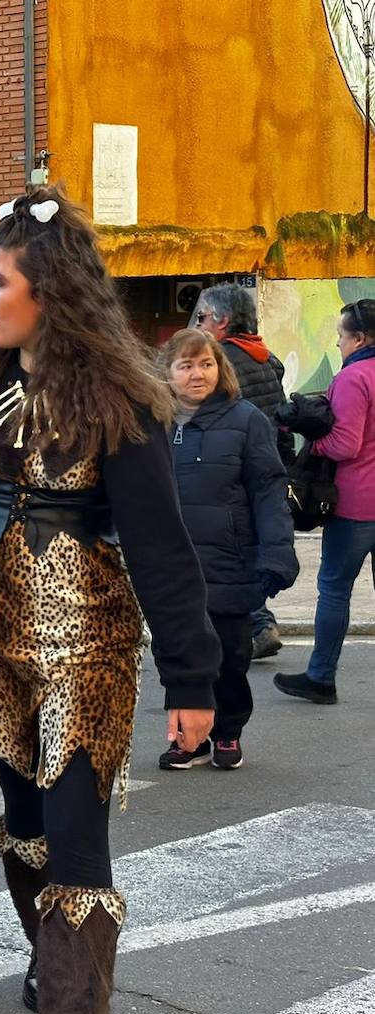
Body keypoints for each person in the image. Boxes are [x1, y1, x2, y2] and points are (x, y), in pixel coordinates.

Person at [0, 188, 220, 1014]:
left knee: (77, 848)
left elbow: (162, 550)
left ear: (47, 292)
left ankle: (72, 1006)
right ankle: (50, 958)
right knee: (25, 828)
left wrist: (193, 682)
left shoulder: (119, 403)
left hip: (83, 642)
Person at [159, 329, 296, 770]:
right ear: (167, 372)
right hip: (173, 564)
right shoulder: (152, 423)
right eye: (185, 365)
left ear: (221, 370)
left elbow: (269, 491)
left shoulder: (247, 419)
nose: (197, 374)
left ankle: (228, 730)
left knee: (231, 655)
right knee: (179, 652)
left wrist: (277, 553)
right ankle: (188, 737)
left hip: (231, 560)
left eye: (206, 364)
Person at [275, 297, 375, 704]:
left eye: (340, 336)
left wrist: (310, 434)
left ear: (360, 338)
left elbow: (344, 445)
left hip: (355, 504)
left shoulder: (355, 378)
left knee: (334, 589)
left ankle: (320, 677)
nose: (337, 344)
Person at [195, 283, 293, 660]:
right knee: (246, 548)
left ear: (222, 322)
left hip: (230, 468)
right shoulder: (267, 359)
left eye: (202, 317)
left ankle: (254, 623)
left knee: (228, 552)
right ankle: (261, 621)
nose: (199, 325)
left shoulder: (221, 362)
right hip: (264, 468)